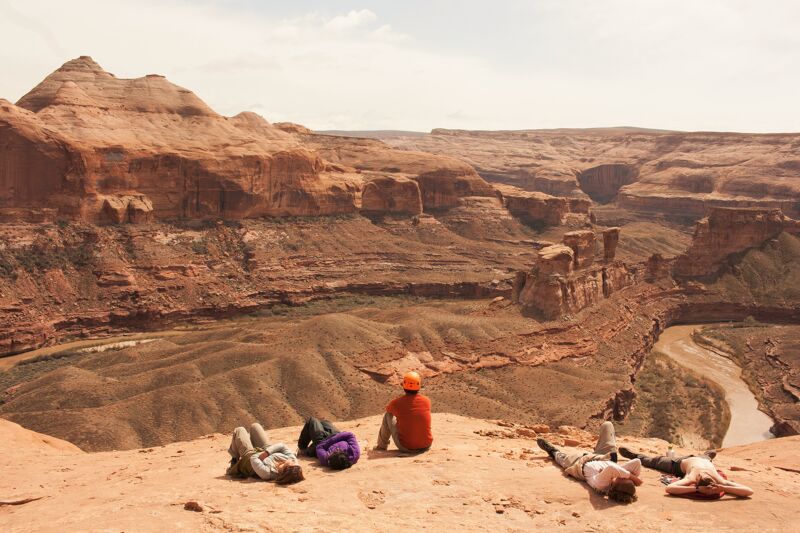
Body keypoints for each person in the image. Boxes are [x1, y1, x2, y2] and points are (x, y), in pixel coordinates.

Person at [537, 421, 642, 504]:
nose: (625, 477)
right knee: (607, 425)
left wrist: (634, 478)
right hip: (604, 456)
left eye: (624, 479)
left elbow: (612, 469)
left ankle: (552, 451)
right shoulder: (617, 477)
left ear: (616, 486)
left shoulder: (602, 485)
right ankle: (596, 448)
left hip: (579, 463)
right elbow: (637, 462)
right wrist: (631, 478)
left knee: (561, 458)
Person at [619, 446, 753, 497]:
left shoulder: (716, 480)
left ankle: (709, 454)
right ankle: (635, 456)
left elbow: (671, 488)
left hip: (702, 460)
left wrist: (697, 489)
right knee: (654, 461)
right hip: (680, 463)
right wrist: (722, 487)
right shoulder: (695, 477)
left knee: (707, 456)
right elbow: (748, 491)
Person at [226, 422, 304, 484]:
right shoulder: (293, 462)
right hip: (266, 451)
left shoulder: (267, 473)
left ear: (286, 469)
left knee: (240, 430)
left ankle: (234, 459)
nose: (293, 461)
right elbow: (282, 446)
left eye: (291, 463)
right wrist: (267, 452)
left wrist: (262, 454)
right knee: (255, 426)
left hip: (249, 458)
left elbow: (253, 459)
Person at [375, 371, 433, 453]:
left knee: (388, 415)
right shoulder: (427, 401)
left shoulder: (396, 403)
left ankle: (381, 446)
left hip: (406, 447)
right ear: (419, 385)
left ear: (404, 385)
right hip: (426, 445)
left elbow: (388, 410)